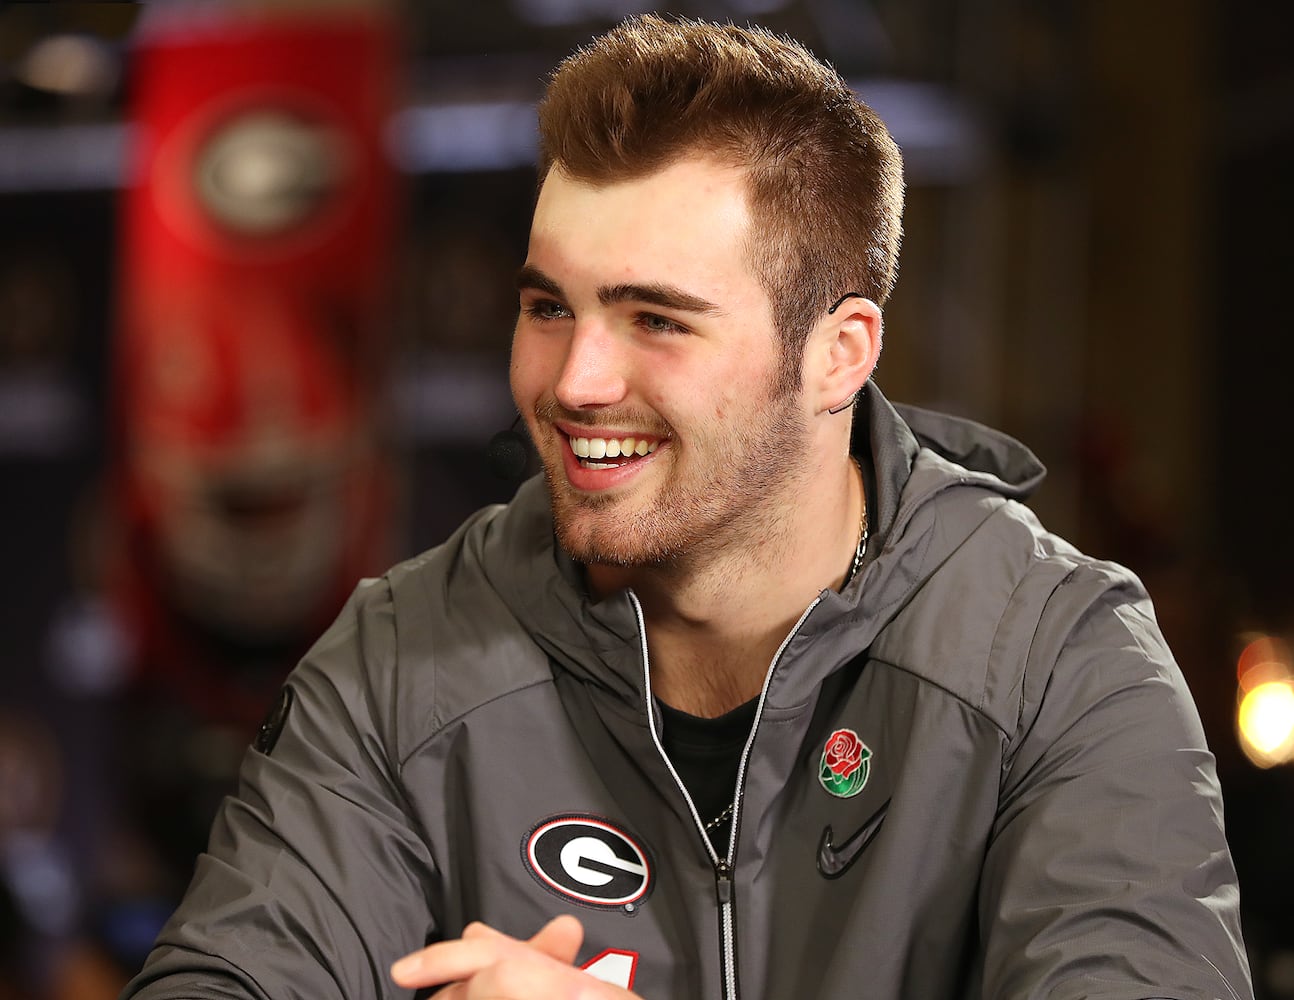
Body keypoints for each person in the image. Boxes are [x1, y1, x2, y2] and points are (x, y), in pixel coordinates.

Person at [121, 14, 1252, 1000]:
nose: (574, 382)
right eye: (548, 307)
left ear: (836, 355)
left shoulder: (1053, 656)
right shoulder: (400, 658)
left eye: (655, 319)